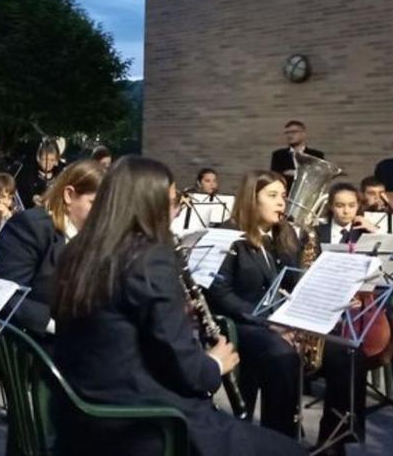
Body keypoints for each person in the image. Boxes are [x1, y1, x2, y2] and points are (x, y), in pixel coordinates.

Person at [51, 157, 304, 456]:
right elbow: (182, 365)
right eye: (171, 203)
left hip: (81, 415)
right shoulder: (149, 260)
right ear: (149, 204)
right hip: (144, 424)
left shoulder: (77, 250)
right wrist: (215, 363)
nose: (175, 212)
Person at [316, 183, 393, 417]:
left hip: (368, 299)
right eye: (339, 206)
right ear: (330, 207)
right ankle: (332, 380)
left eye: (351, 206)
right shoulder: (319, 233)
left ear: (359, 206)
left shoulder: (366, 232)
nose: (346, 211)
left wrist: (374, 231)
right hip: (332, 299)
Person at [207, 171, 302, 438]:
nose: (281, 203)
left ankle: (334, 440)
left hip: (276, 322)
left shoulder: (282, 236)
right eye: (272, 196)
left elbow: (293, 284)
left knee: (347, 352)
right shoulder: (228, 234)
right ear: (251, 199)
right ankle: (277, 439)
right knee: (282, 355)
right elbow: (220, 293)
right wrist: (266, 322)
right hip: (240, 323)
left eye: (283, 196)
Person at [0, 160, 102, 340]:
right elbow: (7, 294)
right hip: (35, 345)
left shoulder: (100, 237)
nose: (103, 214)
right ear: (69, 195)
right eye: (94, 203)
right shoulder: (30, 227)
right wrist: (57, 327)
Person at [269, 120, 325, 187]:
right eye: (287, 133)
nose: (290, 135)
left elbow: (319, 177)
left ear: (303, 134)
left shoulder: (316, 155)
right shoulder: (278, 155)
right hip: (286, 193)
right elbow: (274, 176)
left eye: (293, 132)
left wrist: (295, 173)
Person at [16, 138, 63, 207]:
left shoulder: (60, 175)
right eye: (45, 159)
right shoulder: (29, 175)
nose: (48, 163)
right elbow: (21, 193)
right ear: (39, 158)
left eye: (52, 160)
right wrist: (32, 198)